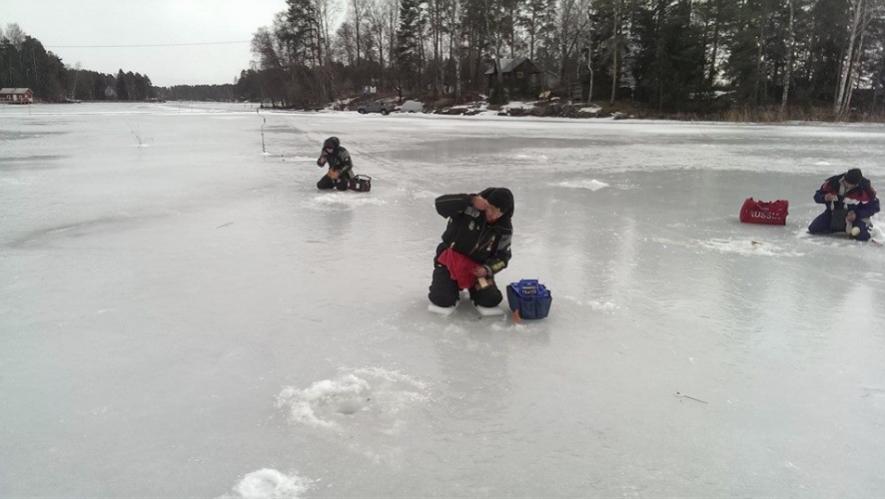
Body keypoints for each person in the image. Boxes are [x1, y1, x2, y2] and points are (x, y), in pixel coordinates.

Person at [428, 188, 514, 312]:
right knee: (442, 299)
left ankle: (475, 288)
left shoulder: (505, 229)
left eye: (498, 212)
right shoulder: (470, 207)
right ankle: (450, 283)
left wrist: (487, 269)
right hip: (449, 262)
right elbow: (440, 204)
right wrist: (469, 200)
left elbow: (503, 258)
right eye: (490, 208)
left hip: (476, 272)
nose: (492, 215)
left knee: (490, 300)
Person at [808, 168, 879, 241]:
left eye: (852, 185)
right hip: (833, 214)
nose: (848, 186)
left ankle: (867, 230)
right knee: (813, 229)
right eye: (846, 183)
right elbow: (817, 196)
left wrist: (857, 215)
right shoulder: (833, 182)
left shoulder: (866, 189)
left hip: (856, 218)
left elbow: (875, 207)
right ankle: (838, 228)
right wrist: (824, 197)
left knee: (862, 236)